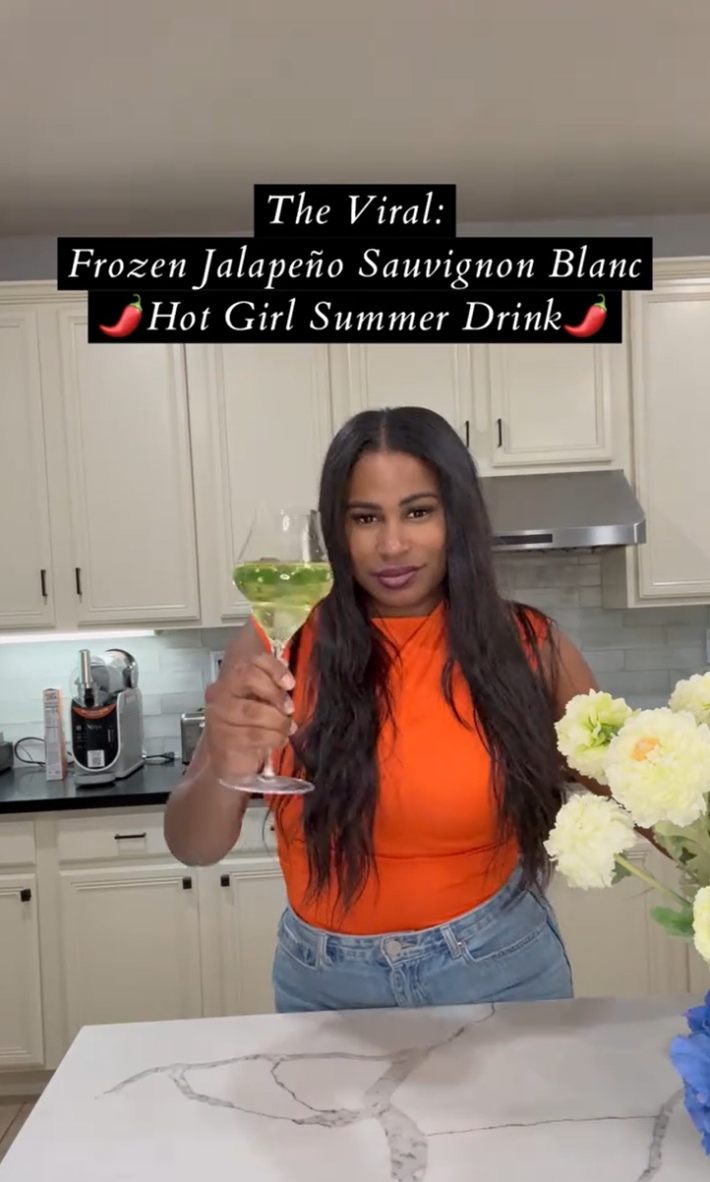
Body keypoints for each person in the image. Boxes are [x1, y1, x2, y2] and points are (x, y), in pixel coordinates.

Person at [164, 405, 603, 1014]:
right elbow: (195, 846)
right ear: (336, 532)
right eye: (365, 518)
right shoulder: (277, 641)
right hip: (324, 987)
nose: (392, 545)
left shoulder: (532, 644)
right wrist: (221, 764)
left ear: (457, 518)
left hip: (499, 970)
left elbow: (643, 795)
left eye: (418, 512)